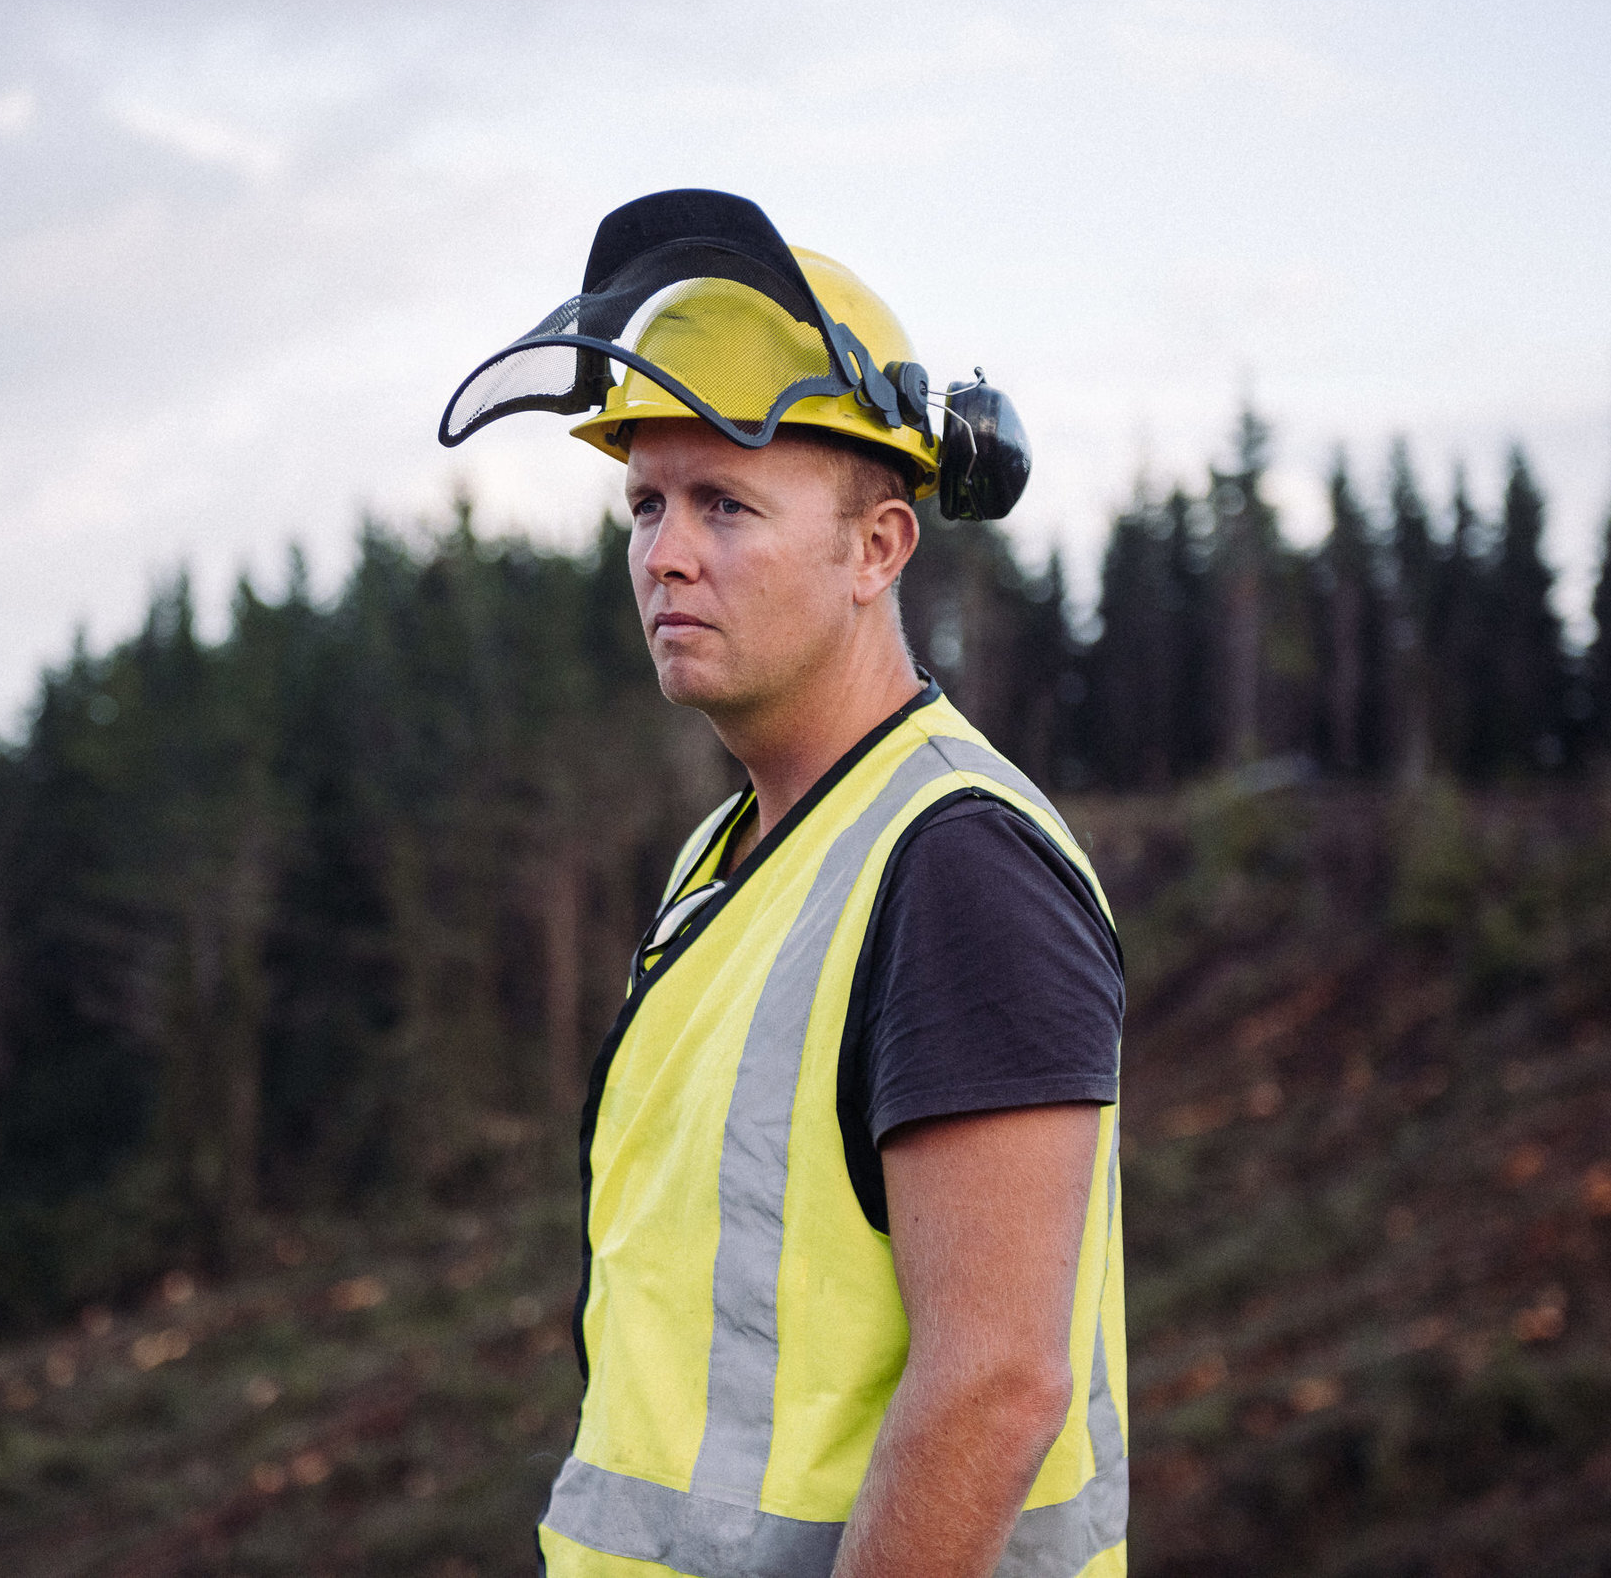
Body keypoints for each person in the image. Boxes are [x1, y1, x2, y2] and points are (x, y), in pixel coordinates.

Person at [440, 190, 1127, 1578]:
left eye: (725, 503)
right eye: (645, 502)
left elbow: (996, 1387)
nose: (664, 551)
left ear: (879, 548)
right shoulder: (731, 858)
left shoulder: (956, 866)